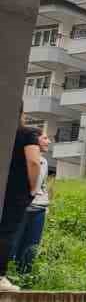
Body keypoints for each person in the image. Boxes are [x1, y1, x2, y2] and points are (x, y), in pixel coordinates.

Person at [0, 111, 43, 290]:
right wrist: (33, 188)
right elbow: (33, 162)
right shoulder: (27, 134)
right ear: (22, 113)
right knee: (6, 232)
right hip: (15, 191)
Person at [12, 130, 51, 275]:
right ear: (36, 140)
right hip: (24, 208)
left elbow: (43, 185)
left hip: (39, 209)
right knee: (14, 244)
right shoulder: (25, 159)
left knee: (32, 246)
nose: (48, 142)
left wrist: (46, 204)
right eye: (45, 138)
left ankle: (24, 277)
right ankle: (8, 275)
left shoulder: (45, 161)